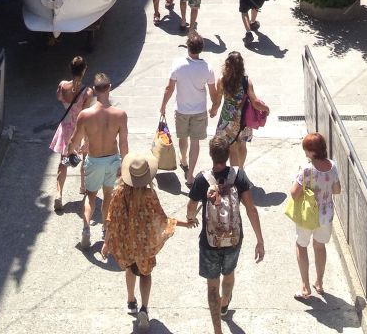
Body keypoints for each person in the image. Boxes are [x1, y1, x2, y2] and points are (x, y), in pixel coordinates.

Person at [102, 152, 192, 329]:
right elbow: (162, 219)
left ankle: (130, 301)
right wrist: (184, 223)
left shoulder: (118, 192)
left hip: (126, 242)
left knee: (129, 269)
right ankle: (144, 307)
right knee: (145, 274)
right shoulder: (150, 195)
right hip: (145, 244)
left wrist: (107, 242)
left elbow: (110, 219)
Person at [186, 134, 265, 334]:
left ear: (211, 155)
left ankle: (217, 330)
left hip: (209, 242)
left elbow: (191, 206)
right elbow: (251, 209)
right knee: (228, 275)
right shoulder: (239, 175)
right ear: (229, 154)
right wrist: (260, 240)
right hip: (233, 239)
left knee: (212, 285)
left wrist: (191, 218)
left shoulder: (202, 179)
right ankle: (225, 304)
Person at [68, 72, 129, 249]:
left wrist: (69, 153)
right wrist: (124, 164)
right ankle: (106, 229)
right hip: (112, 160)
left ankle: (86, 228)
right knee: (109, 196)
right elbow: (123, 143)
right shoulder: (120, 114)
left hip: (94, 160)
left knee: (90, 196)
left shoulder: (85, 115)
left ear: (94, 90)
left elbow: (75, 140)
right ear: (109, 88)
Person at [288, 132, 342, 300]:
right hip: (325, 217)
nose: (305, 153)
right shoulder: (332, 166)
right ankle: (319, 283)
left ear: (312, 152)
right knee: (320, 248)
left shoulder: (306, 170)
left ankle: (305, 286)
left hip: (307, 216)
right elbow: (337, 190)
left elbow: (294, 193)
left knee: (301, 246)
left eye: (306, 150)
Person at [159, 32, 217, 182]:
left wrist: (163, 105)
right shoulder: (207, 68)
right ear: (201, 49)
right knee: (195, 142)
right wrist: (214, 108)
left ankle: (183, 159)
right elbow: (213, 92)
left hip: (182, 109)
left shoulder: (178, 65)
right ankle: (190, 174)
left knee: (182, 137)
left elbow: (169, 88)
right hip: (199, 110)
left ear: (187, 47)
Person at [210, 50, 268, 169]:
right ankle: (240, 171)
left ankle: (234, 175)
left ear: (227, 64)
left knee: (231, 149)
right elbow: (255, 102)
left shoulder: (222, 80)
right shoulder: (246, 81)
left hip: (228, 119)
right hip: (243, 120)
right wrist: (266, 108)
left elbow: (218, 101)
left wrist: (213, 111)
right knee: (242, 146)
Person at [49, 55, 91, 212]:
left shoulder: (62, 86)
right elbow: (85, 113)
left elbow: (59, 97)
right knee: (85, 157)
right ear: (84, 70)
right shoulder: (87, 92)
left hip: (66, 128)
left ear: (70, 69)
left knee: (64, 162)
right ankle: (83, 186)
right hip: (80, 129)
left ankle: (59, 194)